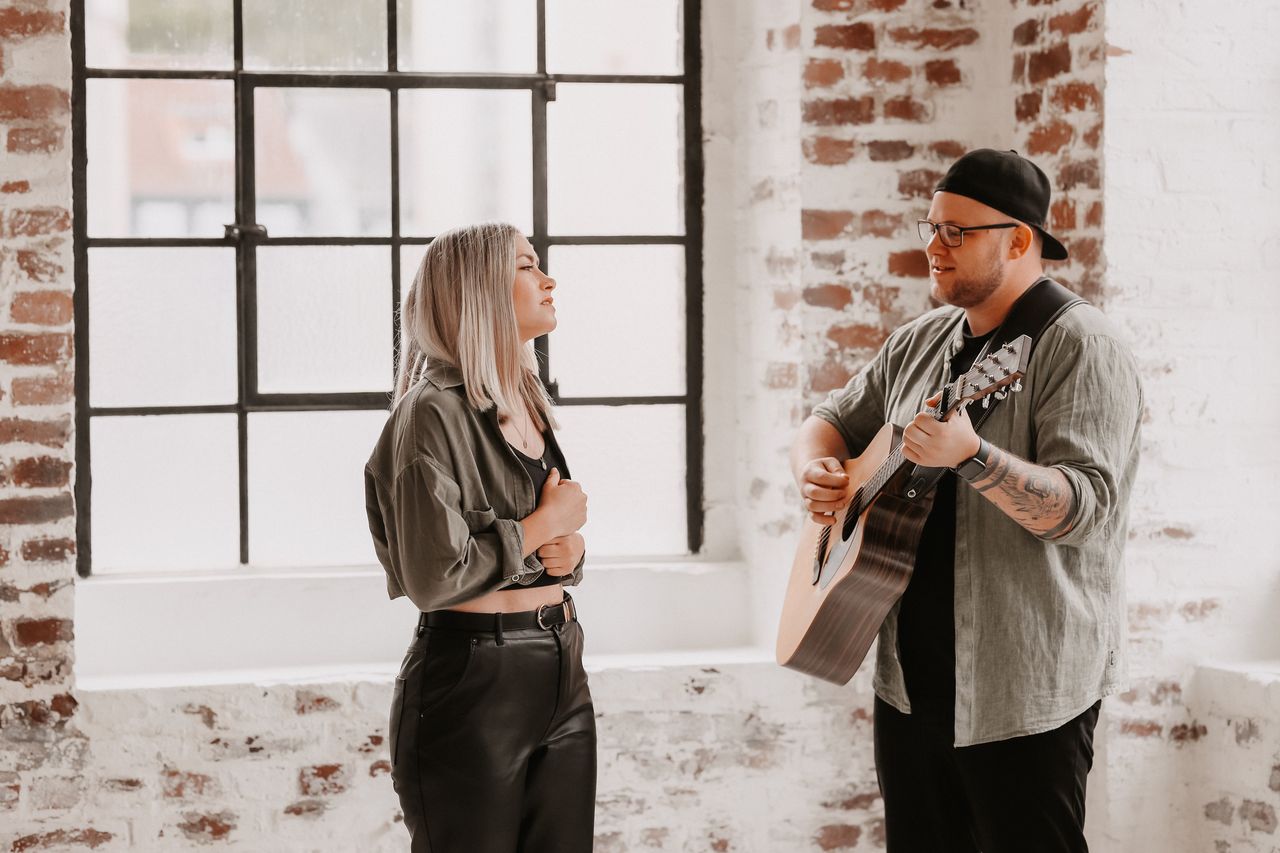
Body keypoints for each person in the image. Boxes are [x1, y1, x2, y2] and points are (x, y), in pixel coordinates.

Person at [789, 149, 1142, 852]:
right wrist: (818, 467)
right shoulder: (921, 340)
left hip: (1021, 692)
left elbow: (1086, 508)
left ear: (1018, 240)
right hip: (910, 686)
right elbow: (829, 416)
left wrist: (973, 455)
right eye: (930, 227)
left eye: (957, 231)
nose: (933, 246)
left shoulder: (1080, 345)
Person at [365, 222, 595, 853]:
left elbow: (542, 540)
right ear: (479, 292)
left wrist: (567, 554)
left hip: (560, 665)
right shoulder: (429, 412)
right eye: (526, 266)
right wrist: (546, 526)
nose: (548, 280)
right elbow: (435, 578)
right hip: (472, 677)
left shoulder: (526, 397)